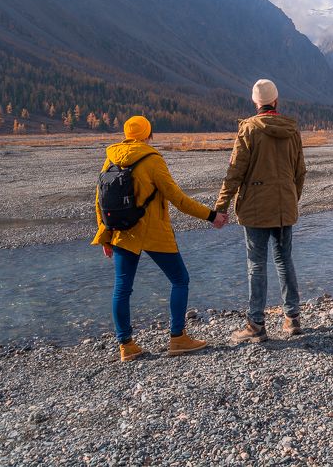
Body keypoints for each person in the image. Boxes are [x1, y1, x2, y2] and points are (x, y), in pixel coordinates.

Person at [92, 115, 228, 362]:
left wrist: (105, 235)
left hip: (123, 232)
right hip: (154, 233)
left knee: (122, 288)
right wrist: (212, 216)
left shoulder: (110, 158)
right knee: (180, 280)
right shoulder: (152, 160)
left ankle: (126, 346)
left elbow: (100, 201)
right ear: (148, 134)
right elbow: (178, 199)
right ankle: (178, 338)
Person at [215, 79, 306, 343]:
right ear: (276, 101)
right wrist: (291, 198)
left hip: (255, 208)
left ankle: (256, 325)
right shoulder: (292, 129)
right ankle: (292, 319)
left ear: (256, 103)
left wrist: (220, 206)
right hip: (284, 207)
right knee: (284, 260)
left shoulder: (249, 129)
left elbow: (235, 172)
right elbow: (300, 171)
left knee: (257, 264)